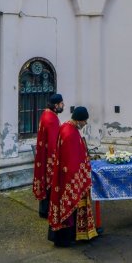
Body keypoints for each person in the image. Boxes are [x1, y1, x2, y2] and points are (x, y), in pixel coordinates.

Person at [47, 106, 97, 247]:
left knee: (67, 207)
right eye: (85, 121)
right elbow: (72, 162)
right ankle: (67, 238)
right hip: (71, 178)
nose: (85, 124)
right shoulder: (70, 134)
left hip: (64, 178)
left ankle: (69, 236)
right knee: (70, 207)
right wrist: (82, 177)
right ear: (79, 120)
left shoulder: (66, 127)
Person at [32, 92, 63, 218]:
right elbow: (53, 143)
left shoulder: (46, 113)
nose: (63, 106)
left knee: (44, 183)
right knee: (50, 184)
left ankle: (44, 210)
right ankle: (46, 211)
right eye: (61, 104)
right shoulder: (51, 119)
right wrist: (57, 159)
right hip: (49, 157)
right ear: (56, 105)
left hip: (43, 157)